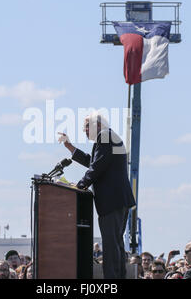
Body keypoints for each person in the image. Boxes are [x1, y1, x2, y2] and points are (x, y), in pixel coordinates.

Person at [58, 111, 136, 279]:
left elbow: (97, 166)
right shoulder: (108, 137)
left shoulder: (105, 136)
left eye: (86, 127)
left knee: (111, 244)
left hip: (112, 200)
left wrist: (80, 185)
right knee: (115, 243)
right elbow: (94, 162)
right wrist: (70, 147)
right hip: (118, 200)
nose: (85, 131)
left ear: (97, 125)